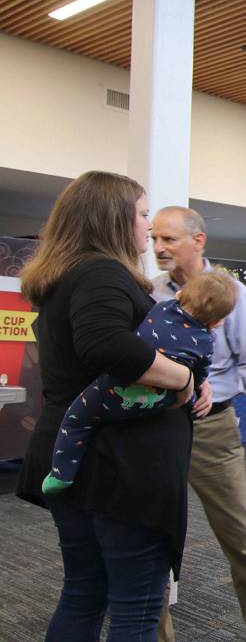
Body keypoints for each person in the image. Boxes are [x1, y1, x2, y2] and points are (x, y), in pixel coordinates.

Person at [16, 171, 212, 641]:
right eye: (143, 214)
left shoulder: (68, 277)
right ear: (112, 217)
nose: (148, 228)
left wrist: (178, 377)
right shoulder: (101, 272)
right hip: (120, 470)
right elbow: (106, 346)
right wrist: (183, 379)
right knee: (136, 608)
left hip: (85, 463)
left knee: (85, 593)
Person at [150, 206, 246, 642]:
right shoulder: (150, 293)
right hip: (155, 428)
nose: (158, 248)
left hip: (213, 428)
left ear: (198, 241)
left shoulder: (233, 294)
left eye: (169, 239)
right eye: (154, 238)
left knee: (239, 530)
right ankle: (153, 633)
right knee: (152, 534)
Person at [43, 271, 236, 495]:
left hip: (117, 386)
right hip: (162, 400)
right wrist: (193, 389)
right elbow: (200, 375)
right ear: (216, 322)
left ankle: (61, 474)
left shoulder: (160, 308)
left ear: (181, 294)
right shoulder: (205, 341)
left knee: (77, 420)